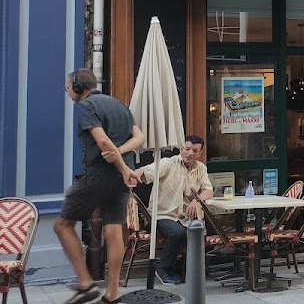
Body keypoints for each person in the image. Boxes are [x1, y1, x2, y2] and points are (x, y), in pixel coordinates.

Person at [56, 69, 143, 304]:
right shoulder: (119, 105)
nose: (67, 92)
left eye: (67, 88)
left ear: (77, 88)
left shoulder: (85, 106)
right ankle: (112, 294)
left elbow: (103, 141)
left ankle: (85, 283)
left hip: (98, 175)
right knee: (114, 230)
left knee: (62, 225)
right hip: (119, 179)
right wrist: (123, 159)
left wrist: (121, 165)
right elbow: (139, 137)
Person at [129, 135, 214, 284]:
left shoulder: (201, 168)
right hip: (162, 215)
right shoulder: (168, 163)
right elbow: (146, 170)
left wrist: (197, 200)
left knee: (205, 228)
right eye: (187, 149)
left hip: (185, 217)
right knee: (177, 233)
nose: (190, 153)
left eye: (195, 151)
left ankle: (190, 269)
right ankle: (163, 268)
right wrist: (134, 175)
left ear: (199, 153)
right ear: (181, 148)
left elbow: (208, 190)